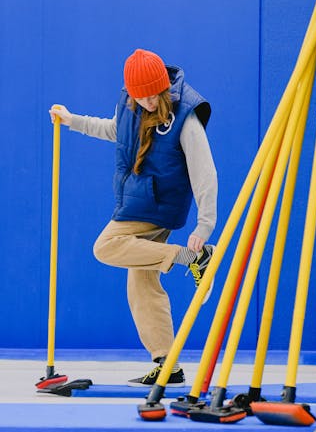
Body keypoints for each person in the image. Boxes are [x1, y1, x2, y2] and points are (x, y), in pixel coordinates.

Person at [49, 48, 217, 388]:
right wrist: (72, 121)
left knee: (105, 246)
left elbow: (205, 172)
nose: (148, 103)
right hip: (142, 199)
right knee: (141, 282)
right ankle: (166, 363)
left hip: (155, 205)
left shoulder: (185, 116)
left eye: (154, 95)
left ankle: (191, 258)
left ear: (163, 88)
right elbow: (114, 131)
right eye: (141, 98)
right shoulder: (129, 107)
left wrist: (204, 224)